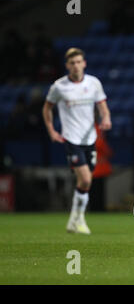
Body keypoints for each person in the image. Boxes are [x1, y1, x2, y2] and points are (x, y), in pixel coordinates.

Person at [42, 47, 112, 234]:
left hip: (90, 139)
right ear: (67, 66)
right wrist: (51, 130)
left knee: (83, 183)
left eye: (79, 62)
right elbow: (47, 108)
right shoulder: (59, 86)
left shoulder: (93, 83)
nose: (76, 66)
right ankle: (79, 221)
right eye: (72, 63)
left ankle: (73, 219)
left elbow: (102, 106)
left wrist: (106, 118)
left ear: (84, 63)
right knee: (87, 179)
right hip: (71, 139)